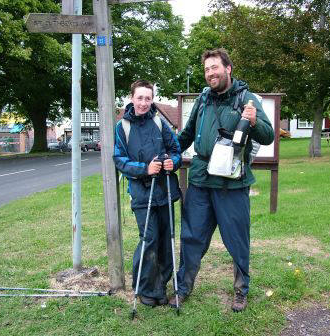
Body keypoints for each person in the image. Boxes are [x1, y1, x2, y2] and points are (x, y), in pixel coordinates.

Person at [169, 48, 274, 312]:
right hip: (200, 181)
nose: (210, 73)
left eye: (214, 67)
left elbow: (268, 135)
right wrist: (169, 152)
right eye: (206, 69)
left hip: (232, 184)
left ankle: (241, 291)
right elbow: (187, 134)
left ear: (228, 69)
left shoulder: (247, 99)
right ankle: (183, 287)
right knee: (192, 237)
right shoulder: (203, 99)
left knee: (237, 240)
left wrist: (253, 122)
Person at [113, 80, 182, 307]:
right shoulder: (122, 127)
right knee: (149, 238)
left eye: (148, 98)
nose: (144, 102)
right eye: (140, 98)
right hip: (142, 194)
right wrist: (145, 169)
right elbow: (119, 159)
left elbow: (175, 150)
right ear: (131, 98)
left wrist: (174, 162)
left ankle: (160, 287)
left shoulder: (159, 122)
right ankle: (145, 288)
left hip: (165, 191)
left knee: (165, 239)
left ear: (152, 99)